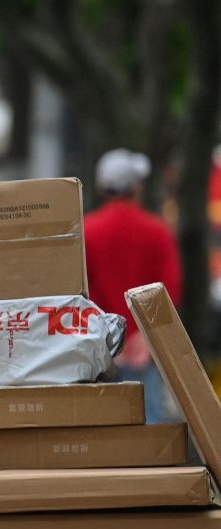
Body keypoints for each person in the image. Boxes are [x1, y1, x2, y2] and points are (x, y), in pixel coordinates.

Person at [84, 148, 183, 422]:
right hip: (146, 350)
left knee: (103, 434)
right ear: (136, 187)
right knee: (149, 432)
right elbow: (170, 290)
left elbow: (81, 292)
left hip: (101, 352)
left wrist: (112, 339)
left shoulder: (86, 231)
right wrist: (142, 337)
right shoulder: (158, 232)